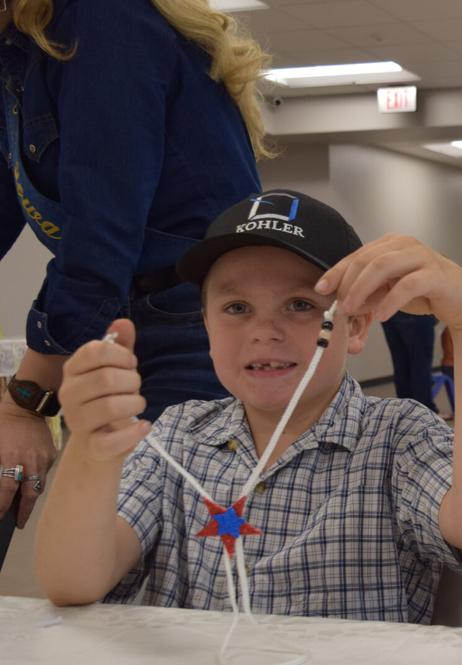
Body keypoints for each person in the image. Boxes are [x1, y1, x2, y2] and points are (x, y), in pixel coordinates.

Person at [33, 190, 462, 623]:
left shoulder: (398, 438)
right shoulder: (177, 434)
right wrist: (90, 454)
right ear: (205, 326)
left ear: (355, 326)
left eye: (300, 305)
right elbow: (72, 581)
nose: (263, 331)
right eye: (236, 308)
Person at [0, 0, 266, 534]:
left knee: (176, 560)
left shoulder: (102, 17)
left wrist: (26, 403)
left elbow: (101, 234)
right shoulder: (19, 51)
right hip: (133, 319)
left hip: (195, 328)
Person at [380, 311, 437, 409]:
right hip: (416, 311)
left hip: (389, 313)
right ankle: (425, 410)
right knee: (421, 365)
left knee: (400, 364)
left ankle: (406, 411)